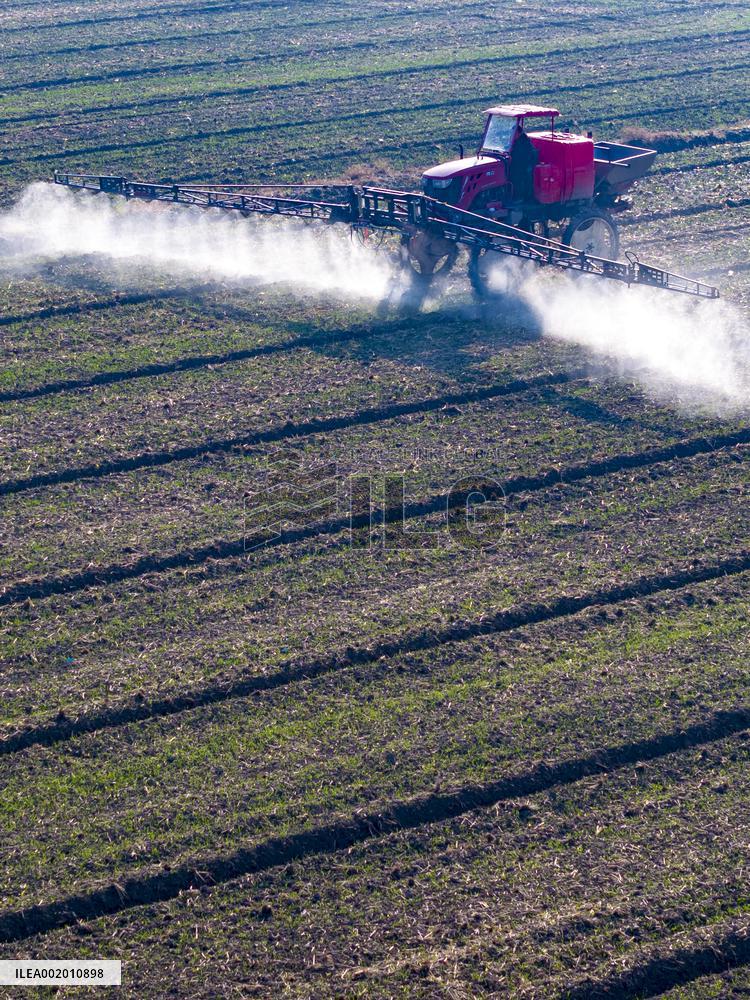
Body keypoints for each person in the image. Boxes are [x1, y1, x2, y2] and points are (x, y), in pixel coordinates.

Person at [508, 126, 539, 203]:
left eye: (513, 133)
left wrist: (511, 156)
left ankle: (519, 197)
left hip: (526, 164)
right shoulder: (515, 141)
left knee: (515, 174)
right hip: (520, 163)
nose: (512, 135)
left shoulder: (524, 142)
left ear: (518, 133)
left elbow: (520, 156)